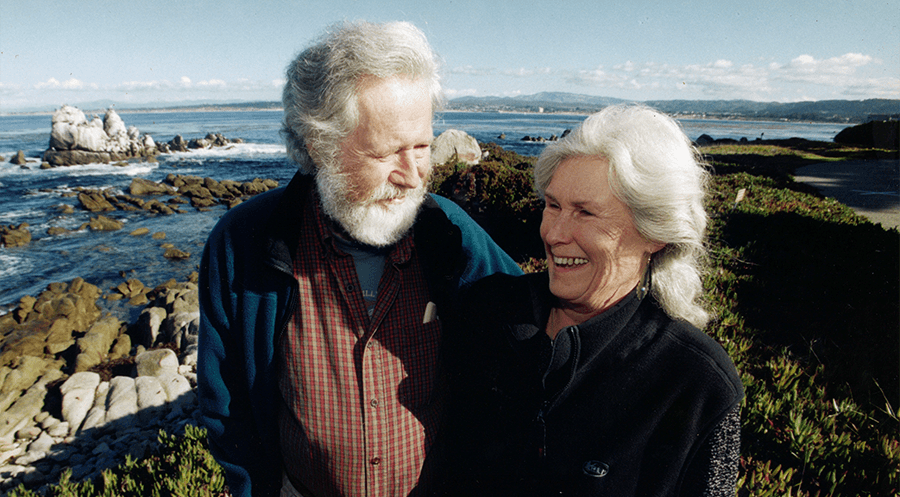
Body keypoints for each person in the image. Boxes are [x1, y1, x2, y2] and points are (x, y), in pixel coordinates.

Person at [197, 21, 522, 497]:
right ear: (319, 146)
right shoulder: (244, 243)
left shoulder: (449, 234)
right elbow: (223, 404)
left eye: (422, 146)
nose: (412, 176)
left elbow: (532, 324)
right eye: (387, 151)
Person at [442, 104, 744, 496]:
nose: (553, 234)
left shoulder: (694, 381)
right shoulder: (485, 311)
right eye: (552, 205)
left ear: (655, 233)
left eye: (585, 213)